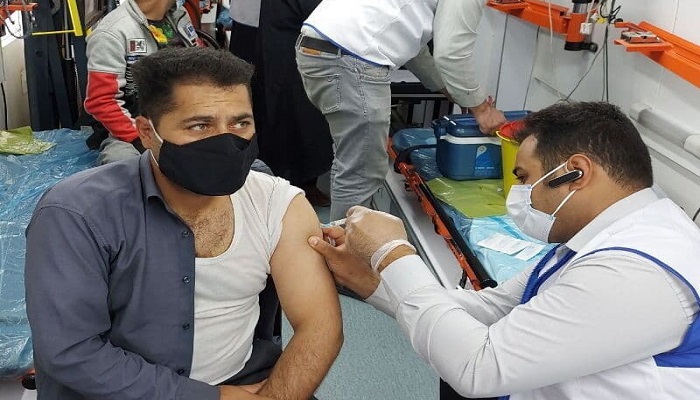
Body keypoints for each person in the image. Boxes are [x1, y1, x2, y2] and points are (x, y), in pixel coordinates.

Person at [308, 102, 700, 399]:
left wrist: (392, 253)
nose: (518, 196)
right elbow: (493, 309)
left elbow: (478, 368)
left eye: (525, 179)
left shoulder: (636, 273)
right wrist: (373, 283)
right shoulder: (606, 238)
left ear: (577, 173)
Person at [25, 47, 343, 400]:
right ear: (147, 133)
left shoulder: (276, 203)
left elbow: (319, 324)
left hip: (249, 382)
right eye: (200, 125)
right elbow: (73, 351)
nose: (226, 141)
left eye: (240, 123)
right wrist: (216, 398)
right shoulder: (76, 214)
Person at [296, 0, 507, 220]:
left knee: (352, 162)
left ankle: (342, 233)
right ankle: (346, 240)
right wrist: (482, 110)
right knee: (360, 172)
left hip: (319, 47)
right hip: (351, 57)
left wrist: (454, 92)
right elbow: (452, 53)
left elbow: (416, 51)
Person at [83, 0, 204, 164]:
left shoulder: (179, 16)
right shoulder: (112, 32)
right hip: (132, 127)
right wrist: (143, 140)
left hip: (182, 118)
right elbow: (101, 101)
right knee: (122, 162)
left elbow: (203, 69)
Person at [256, 0, 334, 207]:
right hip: (292, 44)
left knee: (298, 112)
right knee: (294, 111)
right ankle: (292, 184)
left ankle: (299, 181)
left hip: (299, 41)